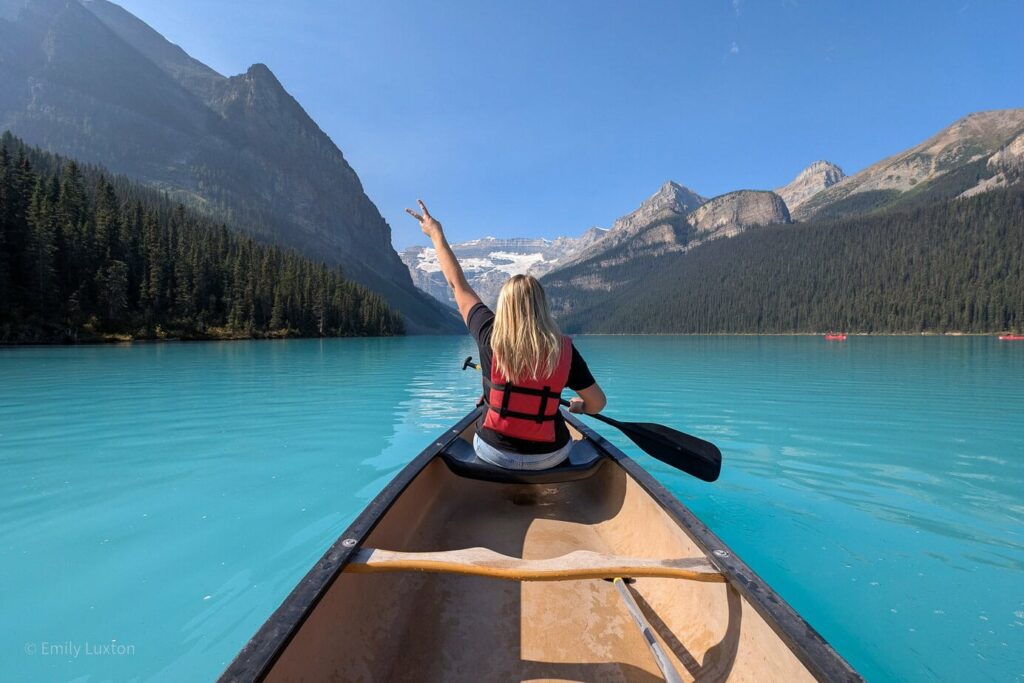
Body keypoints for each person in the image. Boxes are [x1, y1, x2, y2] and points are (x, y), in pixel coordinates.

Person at [406, 200, 607, 470]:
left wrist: (436, 234)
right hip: (550, 457)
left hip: (493, 453)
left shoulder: (488, 332)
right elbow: (598, 403)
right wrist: (581, 407)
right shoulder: (564, 350)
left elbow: (457, 284)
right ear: (542, 307)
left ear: (504, 306)